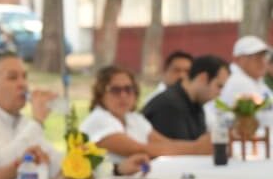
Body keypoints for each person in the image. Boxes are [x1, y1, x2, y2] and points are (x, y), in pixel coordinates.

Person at [80, 66, 209, 162]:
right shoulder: (99, 120)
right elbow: (139, 150)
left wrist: (200, 146)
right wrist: (197, 148)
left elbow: (165, 144)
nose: (123, 95)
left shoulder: (134, 118)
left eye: (128, 89)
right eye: (115, 90)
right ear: (100, 94)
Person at [142, 55, 229, 140]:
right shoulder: (170, 106)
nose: (220, 93)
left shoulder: (196, 104)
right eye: (219, 86)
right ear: (203, 78)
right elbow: (176, 151)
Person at [215, 35, 273, 128]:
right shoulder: (239, 81)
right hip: (247, 140)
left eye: (263, 56)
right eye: (255, 57)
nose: (262, 61)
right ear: (238, 59)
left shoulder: (256, 80)